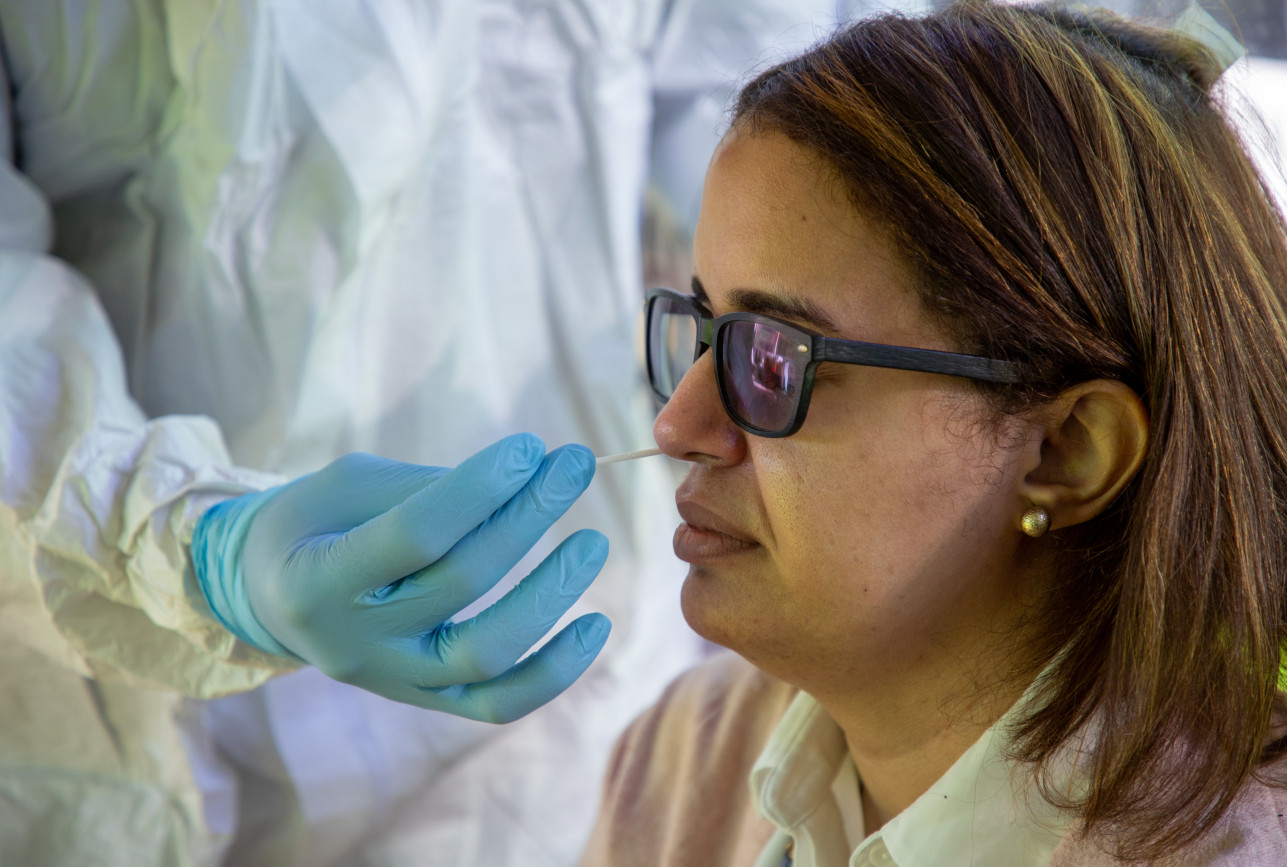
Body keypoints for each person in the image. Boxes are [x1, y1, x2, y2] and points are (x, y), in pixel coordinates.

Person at [0, 2, 849, 864]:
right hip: (147, 692)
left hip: (583, 703)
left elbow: (785, 137)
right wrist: (196, 546)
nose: (678, 426)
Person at [578, 2, 1287, 864]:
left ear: (1068, 452)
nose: (677, 426)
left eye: (773, 356)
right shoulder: (686, 757)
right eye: (704, 329)